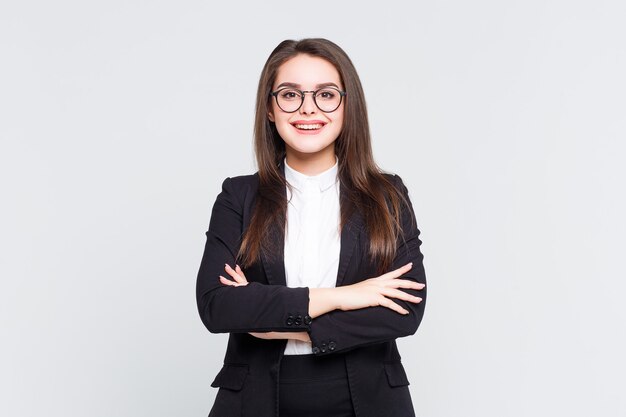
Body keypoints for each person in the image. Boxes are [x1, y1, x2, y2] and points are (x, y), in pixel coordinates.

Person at [196, 38, 427, 417]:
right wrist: (344, 296)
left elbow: (405, 309)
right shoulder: (238, 196)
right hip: (255, 398)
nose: (308, 109)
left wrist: (279, 325)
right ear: (270, 108)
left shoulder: (387, 195)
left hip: (368, 400)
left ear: (347, 106)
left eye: (326, 94)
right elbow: (218, 306)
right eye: (290, 95)